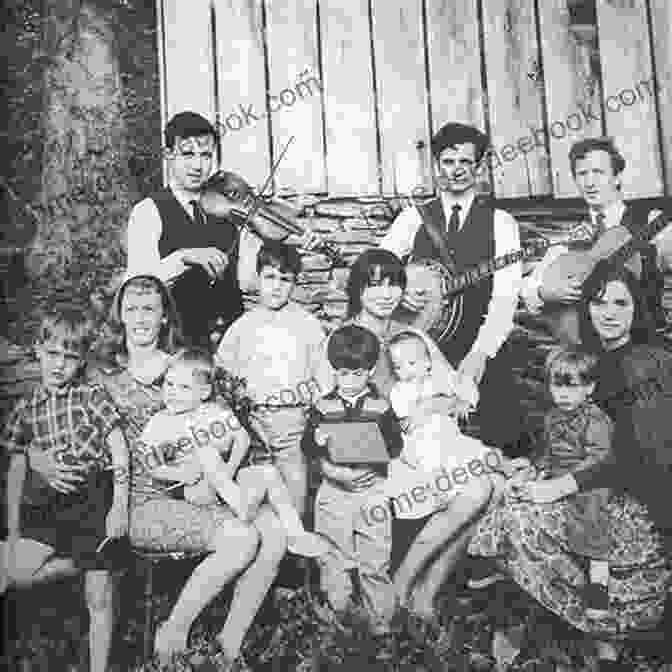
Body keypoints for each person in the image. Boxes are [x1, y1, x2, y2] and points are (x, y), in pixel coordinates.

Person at [21, 274, 288, 671]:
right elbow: (45, 413)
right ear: (120, 316)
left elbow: (223, 425)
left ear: (165, 316)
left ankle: (228, 644)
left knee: (275, 531)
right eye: (131, 309)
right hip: (139, 501)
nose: (141, 317)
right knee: (242, 536)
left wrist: (216, 467)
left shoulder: (185, 366)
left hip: (198, 489)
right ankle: (174, 632)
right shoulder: (100, 373)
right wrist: (33, 455)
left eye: (150, 308)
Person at [468, 266, 672, 671]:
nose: (609, 312)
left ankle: (600, 635)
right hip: (586, 481)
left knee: (521, 516)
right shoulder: (584, 361)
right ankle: (529, 624)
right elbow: (562, 434)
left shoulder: (649, 363)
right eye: (599, 302)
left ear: (638, 308)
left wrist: (562, 485)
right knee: (510, 497)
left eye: (621, 302)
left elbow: (640, 457)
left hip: (634, 499)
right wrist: (535, 464)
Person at [317, 249, 494, 621]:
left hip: (425, 447)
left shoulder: (410, 336)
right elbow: (330, 416)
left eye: (394, 283)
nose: (386, 293)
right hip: (379, 457)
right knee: (477, 489)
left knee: (487, 488)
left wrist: (430, 408)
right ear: (357, 290)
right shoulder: (343, 339)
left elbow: (453, 393)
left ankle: (420, 590)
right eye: (374, 284)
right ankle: (402, 587)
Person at [379, 121, 525, 455]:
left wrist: (481, 355)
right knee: (415, 439)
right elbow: (375, 269)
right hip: (420, 352)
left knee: (499, 440)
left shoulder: (501, 223)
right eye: (448, 162)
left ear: (480, 166)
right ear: (436, 166)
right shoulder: (412, 219)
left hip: (478, 343)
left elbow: (505, 298)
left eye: (465, 162)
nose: (456, 171)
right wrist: (400, 290)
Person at [0, 306, 130, 672]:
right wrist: (31, 453)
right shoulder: (27, 406)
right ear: (37, 350)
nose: (59, 365)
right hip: (49, 505)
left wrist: (119, 505)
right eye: (52, 354)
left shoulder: (91, 396)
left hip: (93, 498)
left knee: (98, 599)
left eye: (70, 357)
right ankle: (82, 559)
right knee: (15, 571)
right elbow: (12, 453)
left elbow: (119, 450)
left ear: (82, 360)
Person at [125, 112, 324, 348]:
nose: (198, 165)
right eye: (188, 154)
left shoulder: (231, 209)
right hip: (174, 347)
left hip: (230, 343)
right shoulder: (148, 211)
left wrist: (295, 251)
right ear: (169, 155)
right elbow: (137, 286)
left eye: (206, 155)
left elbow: (249, 282)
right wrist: (183, 257)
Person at [385, 330, 528, 610]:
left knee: (495, 482)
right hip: (422, 456)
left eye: (411, 364)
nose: (405, 371)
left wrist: (449, 402)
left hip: (450, 445)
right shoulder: (400, 390)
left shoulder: (436, 373)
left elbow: (466, 392)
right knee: (476, 480)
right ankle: (403, 582)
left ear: (427, 362)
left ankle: (428, 590)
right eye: (398, 367)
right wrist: (438, 404)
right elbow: (404, 419)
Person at [141, 347, 329, 558]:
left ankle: (296, 535)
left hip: (227, 489)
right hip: (193, 490)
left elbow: (243, 438)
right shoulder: (160, 422)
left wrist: (229, 470)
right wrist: (180, 474)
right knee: (207, 453)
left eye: (184, 387)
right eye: (169, 384)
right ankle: (242, 506)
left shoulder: (213, 412)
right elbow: (150, 464)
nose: (173, 392)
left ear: (203, 393)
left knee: (266, 473)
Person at [520, 136, 672, 345]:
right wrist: (545, 292)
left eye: (598, 172)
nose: (590, 182)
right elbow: (528, 288)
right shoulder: (572, 237)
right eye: (582, 174)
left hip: (644, 347)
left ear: (617, 177)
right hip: (587, 351)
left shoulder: (650, 222)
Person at [303, 324, 403, 635]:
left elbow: (395, 445)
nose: (348, 381)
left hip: (371, 489)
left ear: (370, 370)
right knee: (333, 555)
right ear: (333, 370)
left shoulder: (381, 407)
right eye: (341, 373)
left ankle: (381, 621)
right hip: (333, 490)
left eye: (356, 374)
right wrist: (317, 441)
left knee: (375, 558)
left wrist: (371, 467)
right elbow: (307, 447)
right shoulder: (322, 406)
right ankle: (340, 612)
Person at [215, 240, 326, 517]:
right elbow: (223, 376)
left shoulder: (308, 325)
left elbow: (322, 378)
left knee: (295, 494)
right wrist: (240, 415)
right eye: (270, 277)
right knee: (257, 500)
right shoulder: (242, 327)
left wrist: (312, 412)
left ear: (295, 283)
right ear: (257, 278)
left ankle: (296, 550)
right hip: (252, 425)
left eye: (285, 280)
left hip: (293, 424)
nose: (276, 287)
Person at [513, 346, 614, 617]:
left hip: (588, 479)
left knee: (592, 508)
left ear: (590, 388)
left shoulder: (596, 420)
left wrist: (566, 482)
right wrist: (537, 471)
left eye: (571, 387)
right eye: (557, 387)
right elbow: (547, 453)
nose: (563, 395)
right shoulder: (552, 418)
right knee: (515, 493)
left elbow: (598, 458)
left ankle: (598, 582)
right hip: (558, 475)